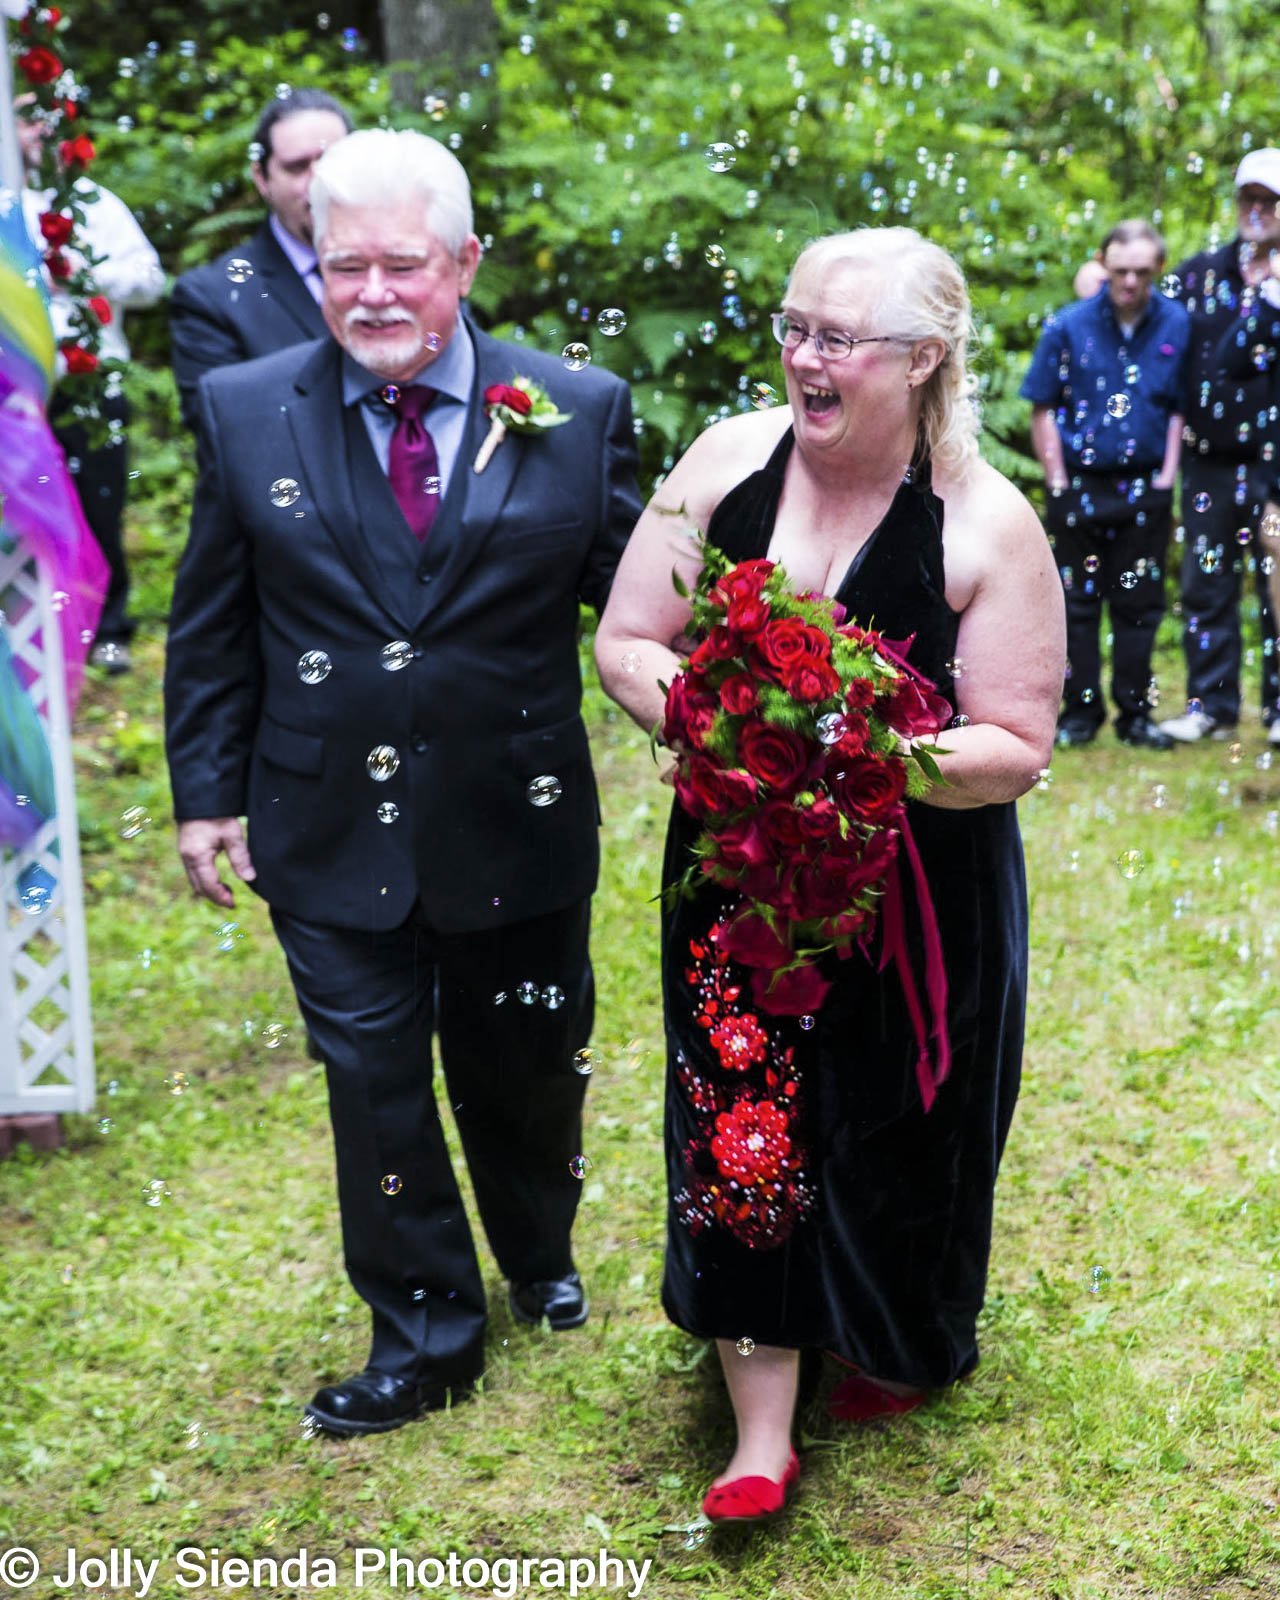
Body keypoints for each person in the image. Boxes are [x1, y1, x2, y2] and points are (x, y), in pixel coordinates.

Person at [163, 129, 642, 1436]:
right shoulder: (248, 404)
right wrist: (205, 793)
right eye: (340, 266)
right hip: (321, 815)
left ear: (467, 264)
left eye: (402, 267)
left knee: (527, 1064)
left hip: (515, 813)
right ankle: (426, 1333)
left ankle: (537, 1249)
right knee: (372, 1079)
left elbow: (638, 604)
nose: (371, 293)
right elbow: (213, 614)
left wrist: (741, 683)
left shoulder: (575, 410)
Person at [595, 228, 1064, 1523]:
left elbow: (1017, 744)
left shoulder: (983, 520)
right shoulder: (726, 466)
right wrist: (719, 723)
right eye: (793, 326)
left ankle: (893, 1329)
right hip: (738, 872)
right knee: (741, 1124)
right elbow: (632, 640)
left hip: (922, 896)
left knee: (905, 1123)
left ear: (923, 359)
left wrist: (872, 756)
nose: (804, 355)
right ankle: (759, 1432)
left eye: (837, 336)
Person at [1021, 219, 1191, 750]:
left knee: (1140, 605)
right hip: (1079, 484)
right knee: (1076, 605)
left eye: (1142, 271)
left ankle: (1136, 714)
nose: (1130, 282)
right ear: (1103, 264)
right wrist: (1057, 480)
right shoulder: (1067, 326)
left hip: (1146, 486)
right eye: (1120, 270)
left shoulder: (1178, 324)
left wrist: (1167, 479)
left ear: (1157, 268)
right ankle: (1080, 713)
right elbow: (1042, 405)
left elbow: (1178, 411)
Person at [16, 93, 165, 674]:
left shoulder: (96, 205)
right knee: (28, 514)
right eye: (24, 119)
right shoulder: (6, 208)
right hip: (20, 396)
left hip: (91, 386)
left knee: (101, 506)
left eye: (46, 120)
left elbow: (150, 279)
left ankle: (110, 627)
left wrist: (86, 275)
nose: (37, 133)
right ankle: (36, 629)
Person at [1157, 150, 1280, 743]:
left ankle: (1279, 710)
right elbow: (1144, 310)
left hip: (1275, 463)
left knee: (1278, 583)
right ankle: (1211, 707)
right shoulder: (1199, 273)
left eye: (1270, 200)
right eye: (1248, 199)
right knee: (1208, 582)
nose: (1257, 210)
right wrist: (1098, 278)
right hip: (1209, 457)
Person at [168, 89, 351, 435]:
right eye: (298, 167)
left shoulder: (413, 268)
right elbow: (221, 428)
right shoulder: (211, 297)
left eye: (332, 160)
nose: (319, 181)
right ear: (262, 178)